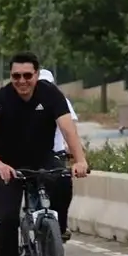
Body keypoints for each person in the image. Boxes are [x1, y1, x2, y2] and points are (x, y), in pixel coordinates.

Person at [0, 52, 90, 256]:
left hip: (42, 160)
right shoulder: (1, 98)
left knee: (62, 181)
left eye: (27, 75)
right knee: (8, 220)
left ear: (36, 75)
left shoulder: (50, 94)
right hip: (8, 167)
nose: (22, 81)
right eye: (16, 76)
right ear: (10, 77)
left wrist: (79, 159)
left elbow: (68, 128)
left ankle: (56, 232)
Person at [39, 69, 79, 241]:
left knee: (64, 185)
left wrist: (76, 154)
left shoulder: (60, 101)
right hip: (26, 157)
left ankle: (60, 226)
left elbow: (71, 129)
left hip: (54, 155)